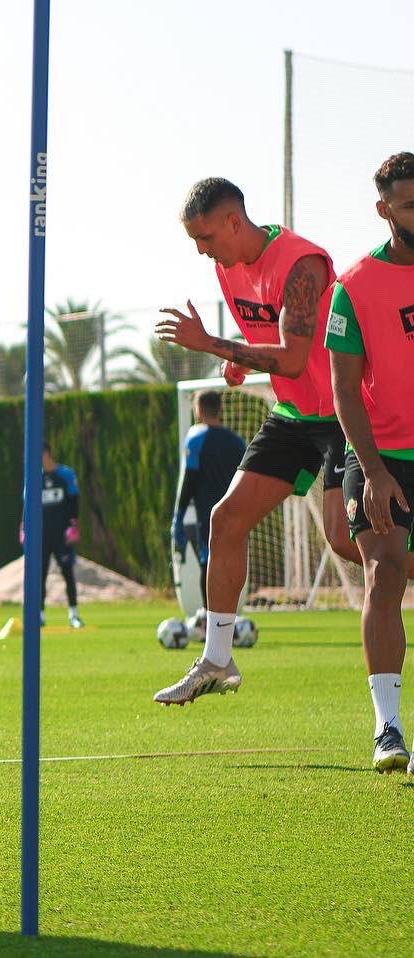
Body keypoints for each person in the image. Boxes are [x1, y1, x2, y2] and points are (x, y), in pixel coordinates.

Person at [153, 176, 358, 706]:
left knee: (342, 538)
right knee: (226, 519)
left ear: (233, 222)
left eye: (205, 238)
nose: (202, 251)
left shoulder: (301, 266)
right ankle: (218, 659)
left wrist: (211, 344)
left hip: (343, 412)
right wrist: (236, 357)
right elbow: (270, 343)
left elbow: (291, 358)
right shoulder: (227, 268)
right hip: (293, 414)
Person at [325, 151, 414, 772]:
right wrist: (375, 471)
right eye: (409, 203)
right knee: (384, 574)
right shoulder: (354, 286)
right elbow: (343, 389)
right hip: (383, 457)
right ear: (384, 209)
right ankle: (388, 728)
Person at [171, 391, 247, 609]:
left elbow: (190, 481)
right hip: (235, 512)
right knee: (231, 563)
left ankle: (209, 620)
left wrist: (179, 516)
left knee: (209, 562)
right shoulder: (237, 442)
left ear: (199, 410)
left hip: (209, 514)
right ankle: (229, 619)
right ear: (220, 409)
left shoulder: (196, 439)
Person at [23, 442, 83, 629]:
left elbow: (74, 501)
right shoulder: (33, 478)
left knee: (67, 572)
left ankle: (73, 614)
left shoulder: (65, 475)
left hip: (61, 535)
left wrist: (73, 525)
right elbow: (26, 506)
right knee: (39, 576)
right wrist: (24, 527)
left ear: (47, 453)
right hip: (41, 537)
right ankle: (39, 615)